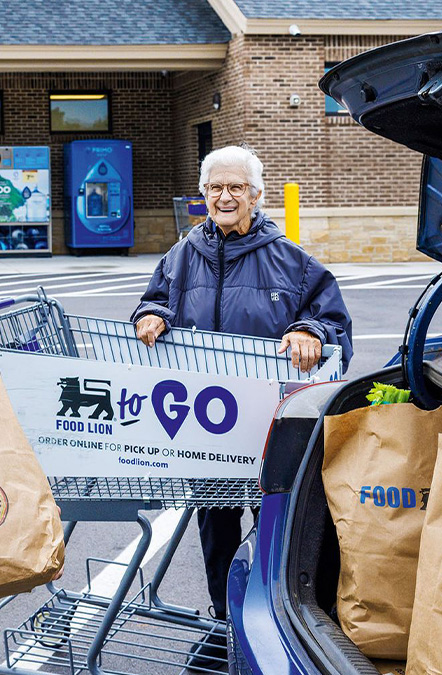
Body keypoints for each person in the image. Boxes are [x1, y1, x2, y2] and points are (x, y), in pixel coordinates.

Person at [132, 145, 353, 669]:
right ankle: (224, 622)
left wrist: (311, 331)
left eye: (236, 188)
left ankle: (286, 622)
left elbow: (335, 324)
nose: (225, 196)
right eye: (215, 188)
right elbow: (153, 299)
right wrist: (151, 315)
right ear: (203, 196)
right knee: (216, 528)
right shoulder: (181, 256)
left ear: (256, 195)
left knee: (280, 526)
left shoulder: (293, 262)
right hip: (206, 432)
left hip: (271, 428)